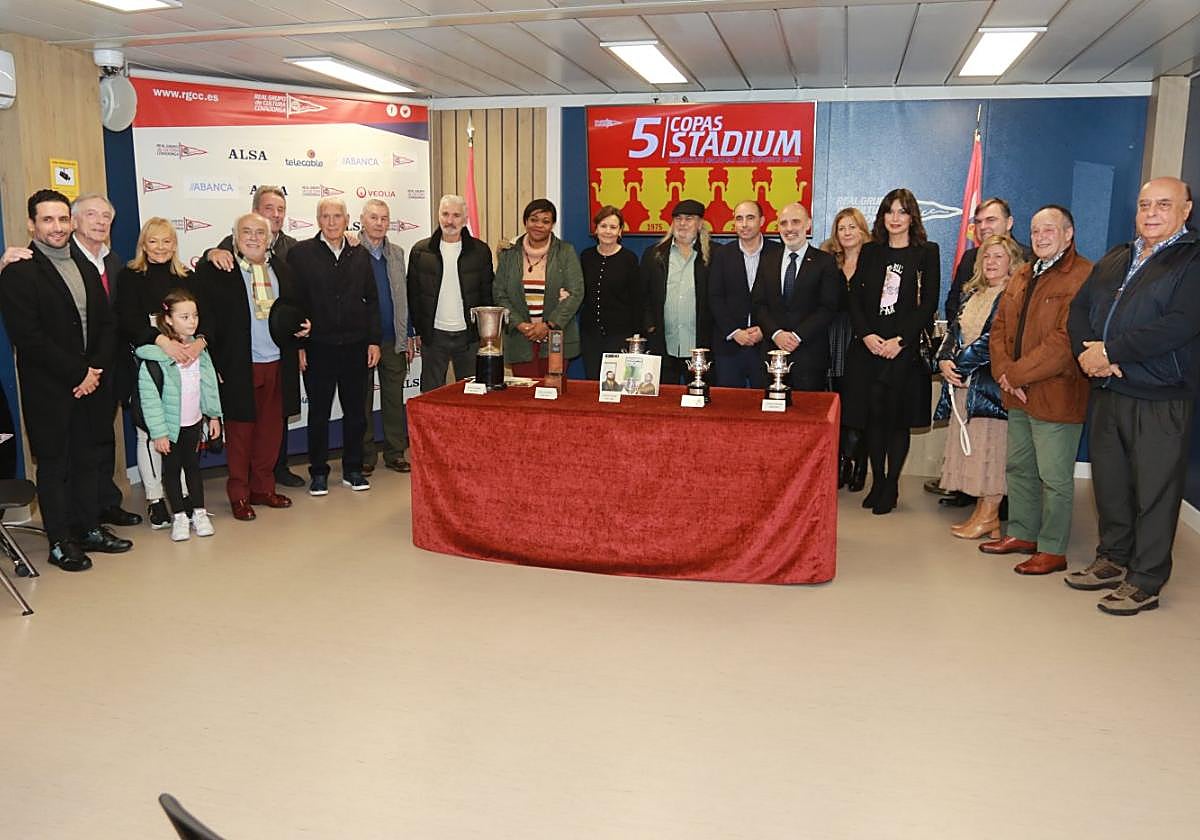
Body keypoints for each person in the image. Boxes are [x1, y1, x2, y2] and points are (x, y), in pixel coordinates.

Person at [1067, 177, 1200, 615]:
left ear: (1186, 210)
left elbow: (1179, 324)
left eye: (1163, 204)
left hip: (1160, 395)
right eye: (1144, 204)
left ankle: (1146, 580)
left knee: (1155, 492)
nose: (1151, 212)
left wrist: (1112, 351)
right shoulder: (1117, 256)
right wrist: (1090, 354)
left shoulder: (1193, 259)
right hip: (1108, 388)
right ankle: (1112, 558)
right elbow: (1080, 309)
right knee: (1112, 486)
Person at [0, 189, 132, 571]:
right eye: (47, 220)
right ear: (32, 224)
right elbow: (29, 337)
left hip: (91, 382)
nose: (57, 227)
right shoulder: (20, 272)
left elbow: (107, 323)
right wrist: (79, 373)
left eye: (62, 219)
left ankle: (89, 527)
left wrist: (95, 371)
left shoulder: (86, 264)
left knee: (89, 458)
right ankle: (61, 540)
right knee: (56, 465)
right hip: (50, 388)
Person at [982, 205, 1092, 575]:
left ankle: (1052, 548)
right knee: (1020, 468)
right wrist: (1005, 374)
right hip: (1017, 393)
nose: (1040, 237)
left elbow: (1065, 342)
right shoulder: (1024, 273)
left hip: (1056, 394)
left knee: (1055, 477)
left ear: (1068, 233)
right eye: (1035, 231)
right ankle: (1024, 534)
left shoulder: (1082, 276)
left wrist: (1018, 375)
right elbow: (999, 327)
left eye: (1049, 230)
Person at [199, 212, 306, 521]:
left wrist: (304, 327)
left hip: (278, 362)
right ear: (235, 237)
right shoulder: (221, 269)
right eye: (246, 232)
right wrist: (209, 254)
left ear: (270, 237)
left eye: (260, 232)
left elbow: (294, 310)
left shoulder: (283, 271)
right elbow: (203, 309)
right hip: (239, 364)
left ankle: (263, 488)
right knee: (241, 432)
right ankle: (239, 494)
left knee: (271, 432)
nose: (254, 238)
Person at [841, 188, 940, 515]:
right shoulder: (871, 252)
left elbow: (928, 303)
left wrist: (901, 340)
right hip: (869, 347)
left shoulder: (927, 253)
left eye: (902, 211)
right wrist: (867, 335)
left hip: (903, 350)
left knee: (897, 420)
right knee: (872, 419)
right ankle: (878, 480)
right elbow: (854, 297)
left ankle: (892, 484)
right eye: (890, 211)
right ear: (882, 216)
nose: (895, 218)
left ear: (913, 217)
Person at [933, 234, 1025, 539]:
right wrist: (944, 360)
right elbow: (954, 330)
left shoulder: (1014, 295)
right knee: (974, 452)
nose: (991, 262)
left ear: (1012, 262)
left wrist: (959, 366)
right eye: (986, 256)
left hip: (989, 386)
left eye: (999, 256)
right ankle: (983, 515)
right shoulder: (972, 293)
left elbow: (992, 340)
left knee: (992, 451)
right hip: (964, 384)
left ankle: (989, 516)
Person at [288, 197, 381, 495]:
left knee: (356, 413)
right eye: (325, 216)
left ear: (346, 219)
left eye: (337, 216)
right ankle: (318, 472)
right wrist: (298, 346)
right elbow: (293, 303)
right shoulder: (300, 254)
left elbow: (372, 301)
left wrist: (374, 341)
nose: (331, 222)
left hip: (355, 346)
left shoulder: (359, 253)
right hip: (318, 348)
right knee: (319, 413)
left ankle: (352, 469)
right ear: (317, 220)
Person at [114, 217, 201, 529]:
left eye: (166, 241)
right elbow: (127, 320)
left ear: (175, 244)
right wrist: (162, 340)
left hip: (185, 362)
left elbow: (200, 319)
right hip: (147, 360)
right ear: (143, 244)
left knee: (182, 427)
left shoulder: (187, 276)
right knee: (149, 430)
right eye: (153, 241)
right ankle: (154, 498)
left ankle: (184, 494)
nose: (160, 247)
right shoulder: (129, 276)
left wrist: (196, 345)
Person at [70, 193, 143, 528]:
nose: (100, 222)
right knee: (79, 445)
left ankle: (106, 502)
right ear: (74, 221)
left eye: (105, 217)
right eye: (91, 215)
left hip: (110, 369)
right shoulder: (63, 260)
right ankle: (84, 515)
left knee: (104, 437)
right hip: (76, 372)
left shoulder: (114, 262)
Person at [135, 289, 222, 542]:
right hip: (170, 428)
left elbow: (209, 386)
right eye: (184, 317)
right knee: (172, 472)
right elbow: (150, 400)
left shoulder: (200, 351)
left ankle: (199, 512)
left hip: (193, 423)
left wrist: (214, 416)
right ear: (169, 319)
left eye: (194, 316)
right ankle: (180, 517)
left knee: (193, 468)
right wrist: (159, 433)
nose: (192, 321)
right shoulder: (154, 358)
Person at [751, 201, 841, 393]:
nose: (789, 228)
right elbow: (758, 304)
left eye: (795, 222)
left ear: (808, 224)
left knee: (807, 418)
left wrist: (797, 336)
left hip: (809, 356)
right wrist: (776, 334)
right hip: (772, 355)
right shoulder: (768, 260)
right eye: (783, 223)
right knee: (770, 420)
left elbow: (828, 307)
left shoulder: (825, 262)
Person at [407, 194, 495, 391]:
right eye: (445, 214)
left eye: (456, 215)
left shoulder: (480, 252)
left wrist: (485, 332)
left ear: (465, 219)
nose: (450, 220)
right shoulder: (420, 251)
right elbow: (413, 295)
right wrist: (418, 330)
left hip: (469, 336)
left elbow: (487, 294)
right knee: (431, 392)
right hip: (433, 336)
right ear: (438, 215)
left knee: (471, 393)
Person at [493, 198, 584, 378]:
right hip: (520, 337)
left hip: (556, 337)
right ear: (525, 221)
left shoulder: (565, 252)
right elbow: (499, 293)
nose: (538, 225)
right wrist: (520, 324)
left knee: (552, 394)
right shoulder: (509, 254)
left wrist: (548, 325)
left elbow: (576, 292)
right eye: (534, 219)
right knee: (524, 397)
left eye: (545, 221)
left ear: (552, 225)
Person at [820, 207, 872, 490]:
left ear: (862, 230)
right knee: (835, 399)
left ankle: (859, 461)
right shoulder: (828, 261)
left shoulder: (875, 260)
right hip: (833, 335)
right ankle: (840, 461)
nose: (847, 233)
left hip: (863, 337)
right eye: (842, 228)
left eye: (852, 227)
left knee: (859, 401)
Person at [358, 199, 411, 475]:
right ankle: (366, 455)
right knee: (363, 400)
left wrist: (408, 334)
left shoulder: (398, 253)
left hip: (393, 338)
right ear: (362, 220)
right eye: (374, 218)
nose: (379, 223)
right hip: (362, 341)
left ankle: (395, 453)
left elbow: (404, 297)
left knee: (393, 398)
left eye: (384, 218)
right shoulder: (351, 252)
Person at [709, 200, 779, 388]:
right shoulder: (722, 254)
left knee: (765, 407)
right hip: (729, 346)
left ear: (762, 221)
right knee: (728, 408)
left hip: (765, 346)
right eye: (739, 219)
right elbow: (715, 298)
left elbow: (781, 300)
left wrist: (766, 330)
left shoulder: (777, 253)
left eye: (750, 218)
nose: (744, 224)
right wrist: (734, 332)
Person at [643, 199, 713, 385]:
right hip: (664, 343)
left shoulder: (714, 255)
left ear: (699, 224)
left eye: (689, 219)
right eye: (678, 218)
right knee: (663, 403)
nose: (682, 224)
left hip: (700, 345)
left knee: (700, 399)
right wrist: (650, 326)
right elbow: (643, 296)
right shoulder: (654, 254)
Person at [944, 197, 1032, 322]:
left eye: (990, 220)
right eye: (978, 222)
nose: (983, 226)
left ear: (1009, 223)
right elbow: (953, 304)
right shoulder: (969, 258)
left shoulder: (1029, 259)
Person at [579, 206, 642, 379]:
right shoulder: (586, 256)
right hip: (590, 334)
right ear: (596, 229)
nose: (608, 231)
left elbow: (637, 299)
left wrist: (636, 335)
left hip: (620, 334)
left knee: (617, 384)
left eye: (613, 227)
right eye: (603, 226)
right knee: (593, 382)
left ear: (620, 231)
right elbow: (580, 291)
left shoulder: (629, 259)